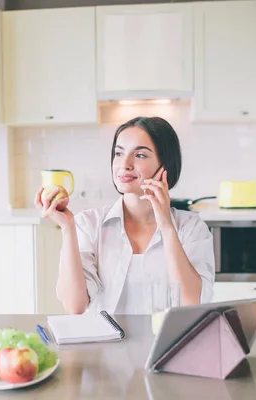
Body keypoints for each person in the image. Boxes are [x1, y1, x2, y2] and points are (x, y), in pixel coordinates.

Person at [34, 116, 215, 315]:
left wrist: (166, 226)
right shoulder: (88, 224)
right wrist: (68, 229)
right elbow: (74, 307)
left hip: (166, 343)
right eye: (119, 153)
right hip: (102, 344)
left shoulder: (191, 228)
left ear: (166, 166)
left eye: (140, 155)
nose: (125, 164)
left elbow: (191, 303)